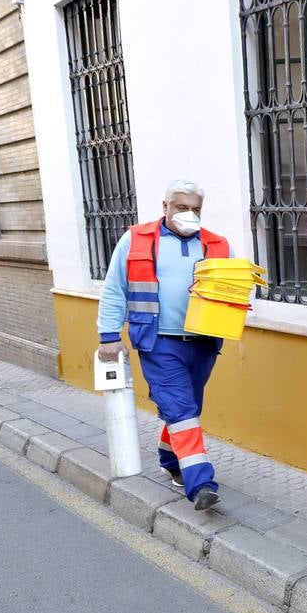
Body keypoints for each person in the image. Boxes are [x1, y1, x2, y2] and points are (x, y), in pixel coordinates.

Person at [96, 180, 234, 511]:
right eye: (181, 207)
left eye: (196, 209)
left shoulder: (217, 244)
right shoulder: (136, 239)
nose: (189, 214)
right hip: (157, 341)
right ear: (165, 207)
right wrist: (109, 336)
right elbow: (115, 288)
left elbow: (232, 290)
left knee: (187, 408)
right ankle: (200, 482)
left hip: (202, 341)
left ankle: (169, 458)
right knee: (183, 409)